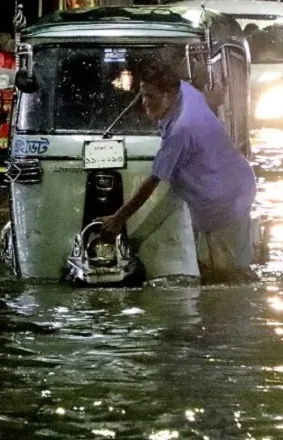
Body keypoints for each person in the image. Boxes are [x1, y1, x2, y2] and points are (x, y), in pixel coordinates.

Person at [97, 61, 258, 281]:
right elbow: (205, 100)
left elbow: (152, 182)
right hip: (217, 184)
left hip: (227, 198)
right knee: (210, 267)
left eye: (151, 97)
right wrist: (213, 98)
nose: (145, 103)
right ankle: (135, 242)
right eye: (142, 95)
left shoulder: (180, 131)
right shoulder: (184, 89)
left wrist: (118, 219)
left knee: (228, 275)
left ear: (168, 95)